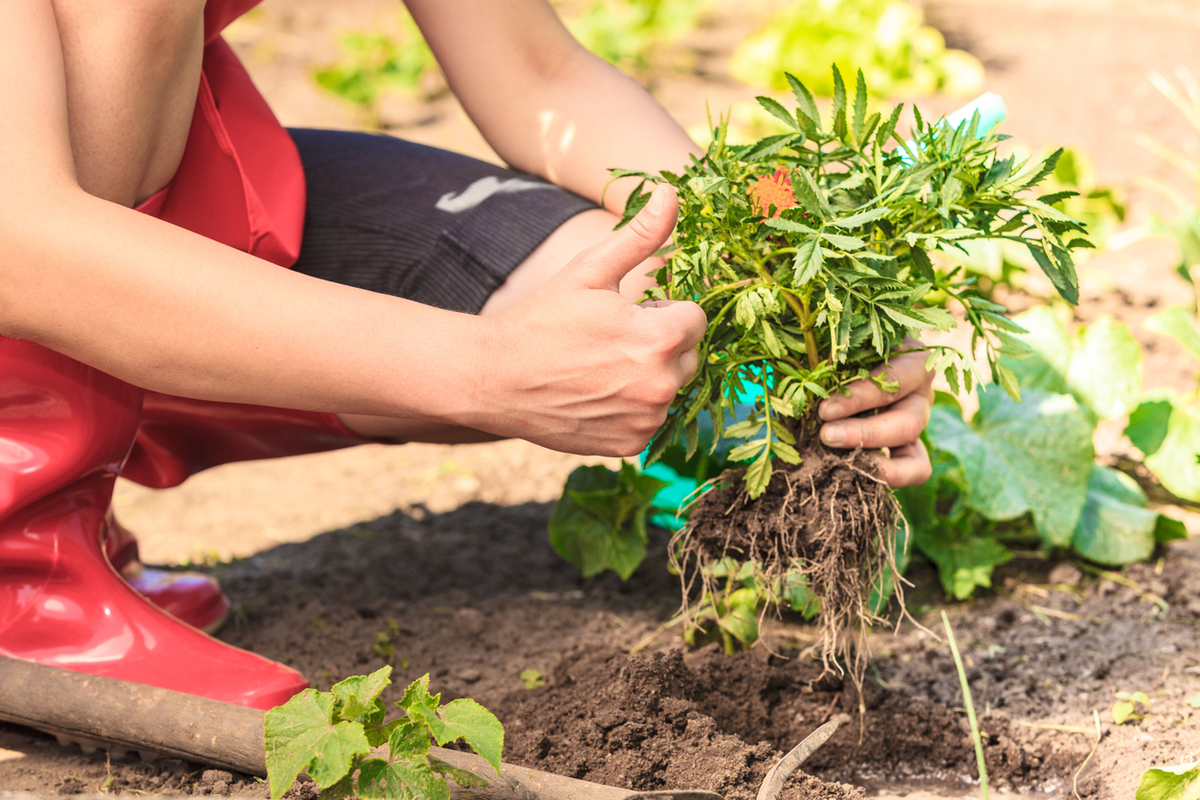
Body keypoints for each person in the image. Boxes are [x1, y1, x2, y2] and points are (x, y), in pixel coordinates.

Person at [0, 0, 935, 710]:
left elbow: (541, 75)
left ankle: (81, 510)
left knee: (629, 290)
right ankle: (24, 571)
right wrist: (488, 369)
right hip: (37, 225)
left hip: (177, 177)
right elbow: (22, 239)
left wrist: (780, 278)